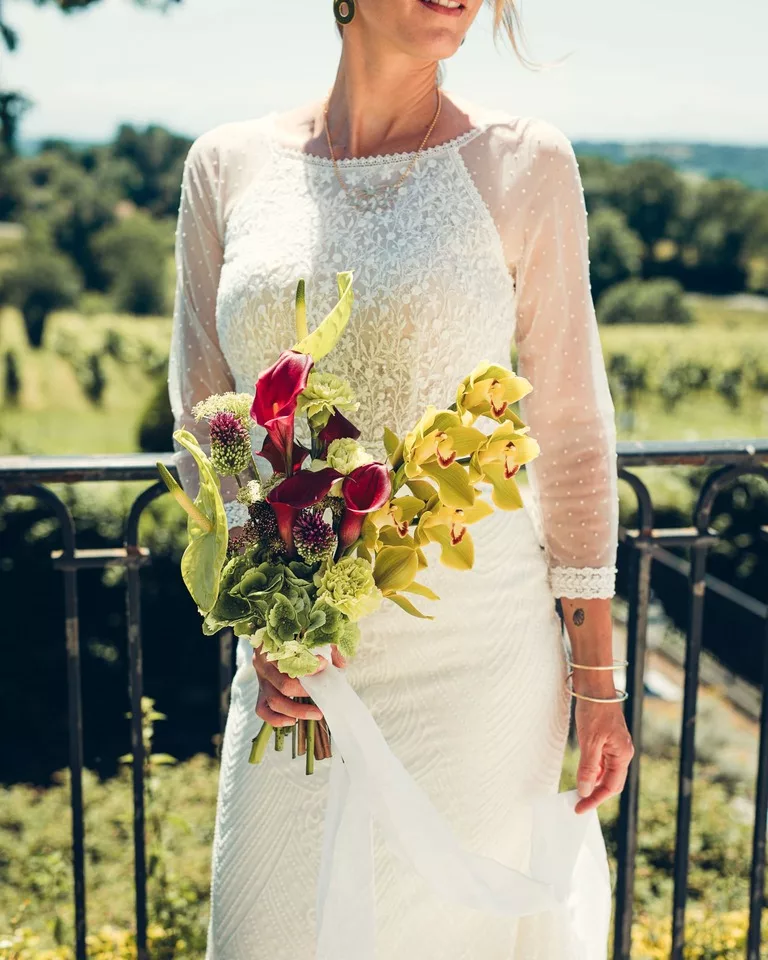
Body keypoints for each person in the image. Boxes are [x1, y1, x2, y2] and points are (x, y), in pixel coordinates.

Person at [167, 0, 635, 956]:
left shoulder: (525, 163)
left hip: (479, 668)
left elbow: (572, 426)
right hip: (295, 673)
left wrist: (598, 676)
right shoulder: (225, 167)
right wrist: (264, 619)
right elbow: (205, 416)